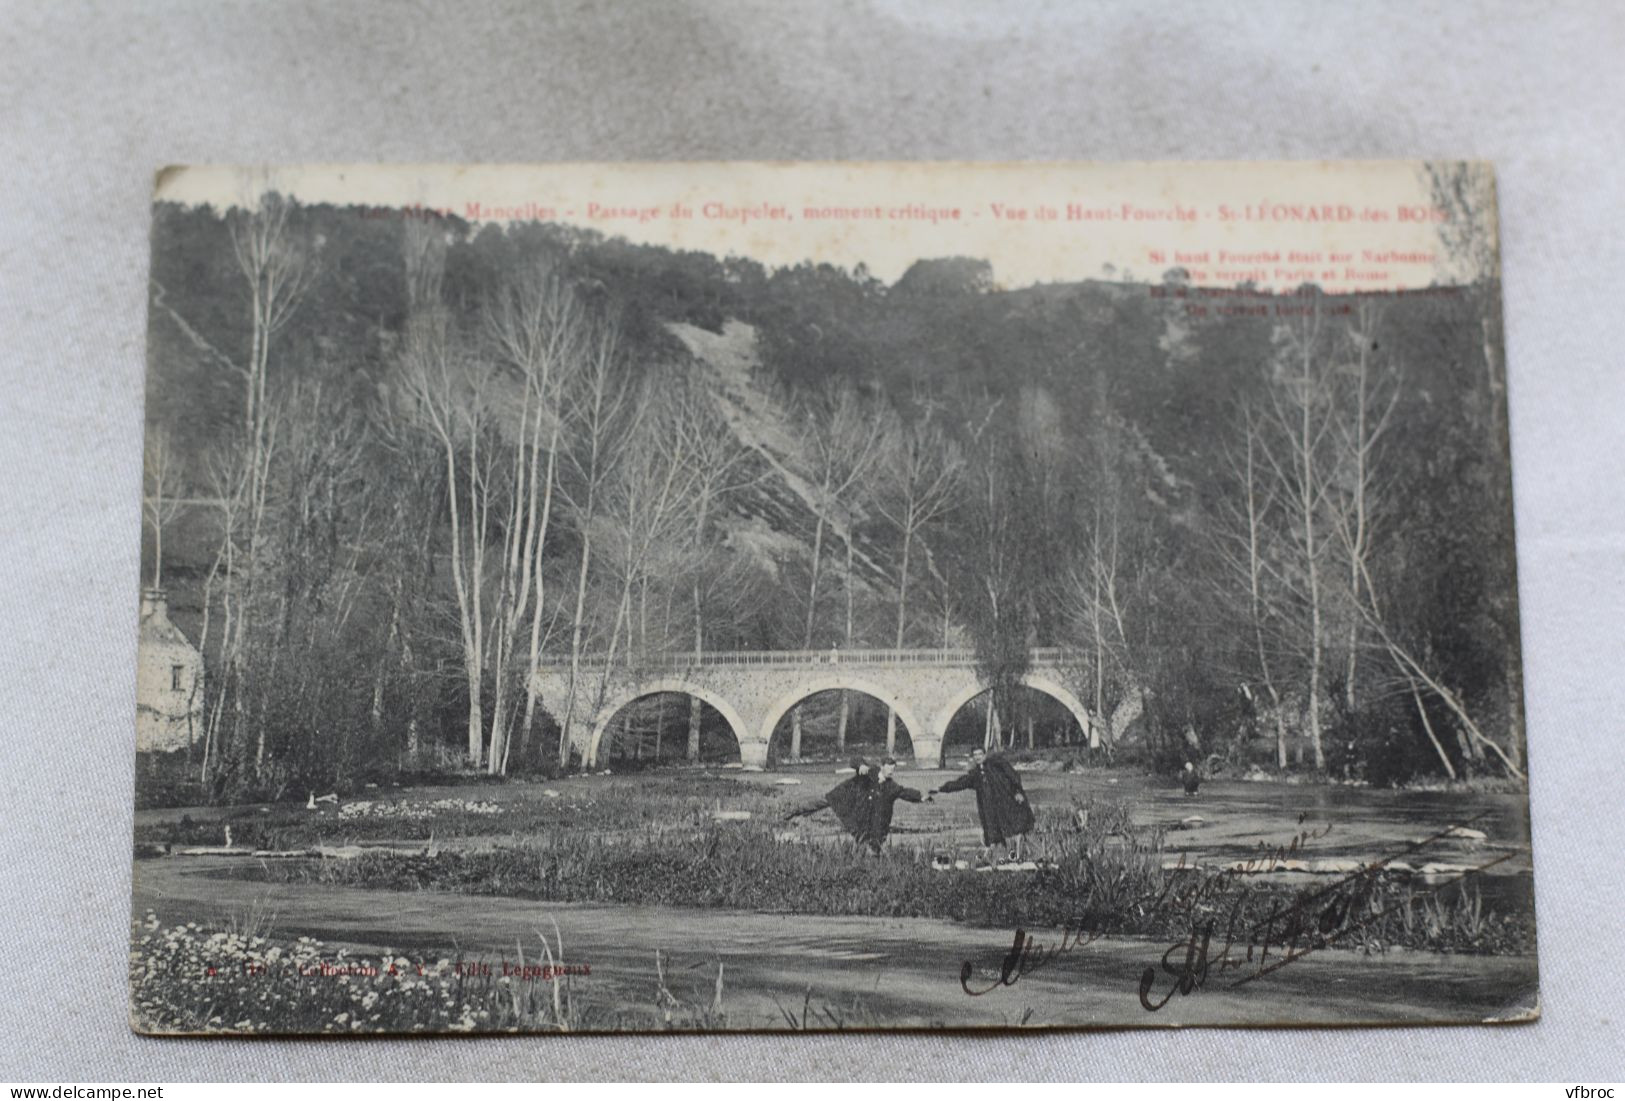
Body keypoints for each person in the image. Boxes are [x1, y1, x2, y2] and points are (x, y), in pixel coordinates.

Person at [930, 745, 1035, 861]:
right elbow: (959, 783)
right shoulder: (975, 774)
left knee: (1017, 829)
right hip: (989, 808)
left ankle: (1024, 856)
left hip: (1007, 802)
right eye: (975, 755)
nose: (978, 757)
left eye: (980, 754)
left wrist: (1017, 792)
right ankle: (1003, 858)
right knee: (994, 833)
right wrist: (940, 788)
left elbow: (1013, 776)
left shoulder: (997, 764)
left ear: (984, 754)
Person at [783, 757, 880, 852]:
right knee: (822, 801)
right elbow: (854, 760)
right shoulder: (874, 769)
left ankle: (864, 848)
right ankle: (794, 810)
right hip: (845, 792)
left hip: (856, 803)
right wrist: (861, 765)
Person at [862, 756, 925, 853]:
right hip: (865, 818)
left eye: (893, 768)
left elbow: (904, 792)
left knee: (875, 848)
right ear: (882, 766)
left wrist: (920, 796)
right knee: (863, 847)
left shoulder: (892, 786)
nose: (891, 771)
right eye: (888, 768)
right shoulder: (872, 772)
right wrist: (860, 765)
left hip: (882, 822)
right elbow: (854, 761)